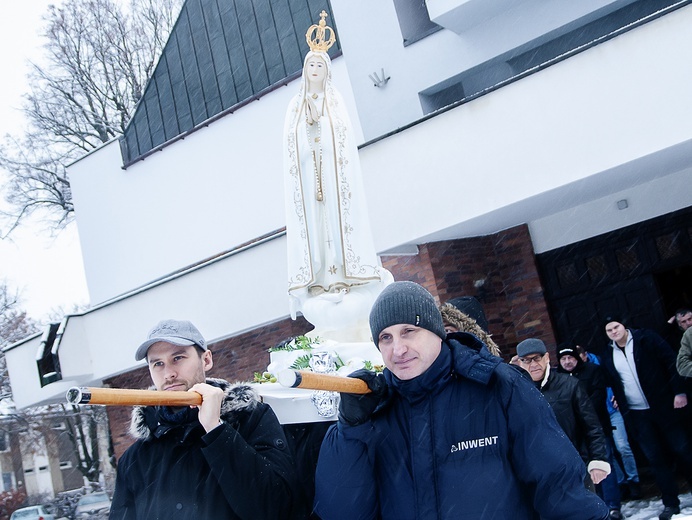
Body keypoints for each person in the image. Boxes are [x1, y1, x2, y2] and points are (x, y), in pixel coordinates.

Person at [314, 281, 609, 519]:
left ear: (436, 332)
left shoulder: (498, 386)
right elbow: (341, 510)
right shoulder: (373, 411)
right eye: (385, 338)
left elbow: (558, 486)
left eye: (408, 331)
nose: (398, 349)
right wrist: (350, 430)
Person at [109, 319, 300, 519]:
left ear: (206, 360)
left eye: (178, 358)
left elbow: (276, 508)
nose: (169, 374)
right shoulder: (136, 458)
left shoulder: (250, 420)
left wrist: (216, 429)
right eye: (158, 364)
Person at [283, 12, 387, 329]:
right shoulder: (295, 105)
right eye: (311, 66)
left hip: (332, 177)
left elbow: (342, 137)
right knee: (315, 229)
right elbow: (290, 143)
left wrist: (322, 124)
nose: (315, 70)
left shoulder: (334, 100)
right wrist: (306, 131)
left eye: (320, 66)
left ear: (327, 71)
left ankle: (345, 274)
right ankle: (319, 278)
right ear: (305, 70)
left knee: (338, 226)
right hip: (309, 179)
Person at [601, 316, 692, 520]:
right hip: (637, 414)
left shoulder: (646, 339)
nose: (614, 332)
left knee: (683, 449)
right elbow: (613, 380)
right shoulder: (608, 353)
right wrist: (619, 398)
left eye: (616, 327)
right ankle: (670, 503)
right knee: (656, 459)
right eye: (609, 330)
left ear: (624, 325)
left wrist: (679, 392)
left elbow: (671, 361)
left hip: (664, 407)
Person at [515, 340, 611, 490]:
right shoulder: (517, 394)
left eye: (536, 358)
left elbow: (592, 426)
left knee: (588, 512)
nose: (532, 364)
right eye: (526, 360)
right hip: (541, 475)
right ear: (520, 363)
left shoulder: (570, 385)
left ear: (547, 358)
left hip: (577, 468)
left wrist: (598, 459)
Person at [556, 345, 622, 519]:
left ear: (577, 358)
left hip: (597, 429)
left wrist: (578, 413)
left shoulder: (593, 371)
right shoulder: (559, 379)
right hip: (574, 436)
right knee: (585, 473)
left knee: (604, 466)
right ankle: (596, 507)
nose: (567, 362)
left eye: (570, 357)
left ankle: (613, 506)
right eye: (563, 359)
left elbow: (598, 397)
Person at [576, 346, 641, 500]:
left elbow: (615, 381)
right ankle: (621, 482)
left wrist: (618, 396)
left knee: (623, 447)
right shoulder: (576, 373)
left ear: (585, 355)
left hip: (612, 410)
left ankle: (634, 480)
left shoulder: (601, 363)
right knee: (607, 454)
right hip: (597, 419)